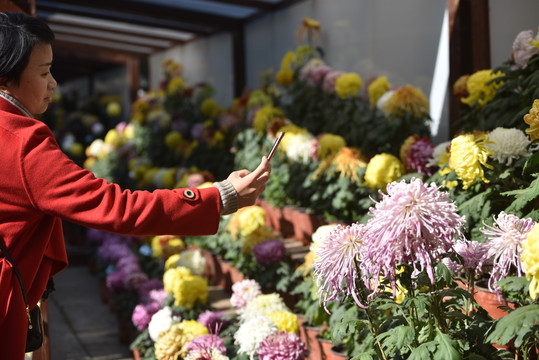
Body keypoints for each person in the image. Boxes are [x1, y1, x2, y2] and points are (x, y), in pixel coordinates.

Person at [0, 11, 271, 358]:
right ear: (6, 77)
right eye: (43, 72)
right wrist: (220, 197)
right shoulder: (22, 143)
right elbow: (116, 207)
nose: (53, 82)